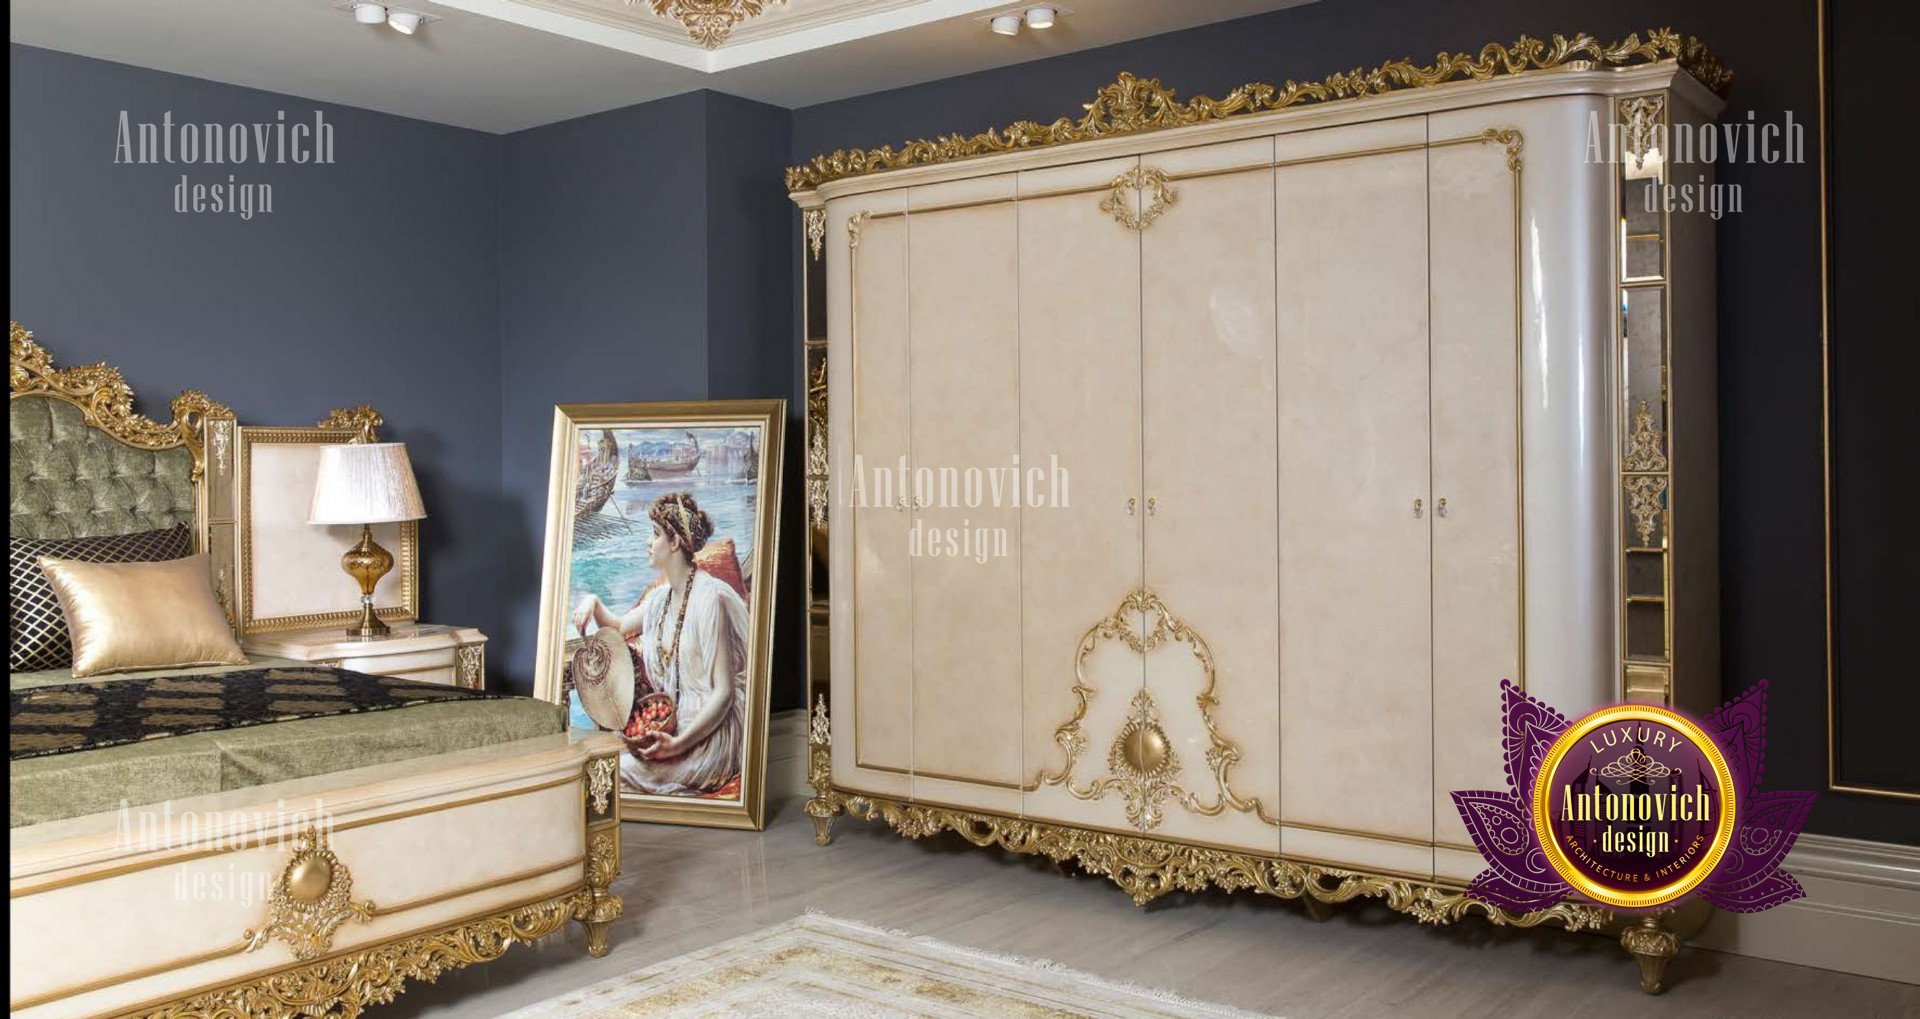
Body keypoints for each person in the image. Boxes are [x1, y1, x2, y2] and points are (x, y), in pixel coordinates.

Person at [572, 493, 749, 796]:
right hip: (671, 723)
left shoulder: (710, 599)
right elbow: (618, 627)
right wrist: (594, 601)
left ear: (675, 542)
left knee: (614, 772)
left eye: (655, 534)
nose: (648, 542)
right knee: (598, 757)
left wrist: (677, 745)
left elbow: (724, 693)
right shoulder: (661, 599)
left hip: (710, 733)